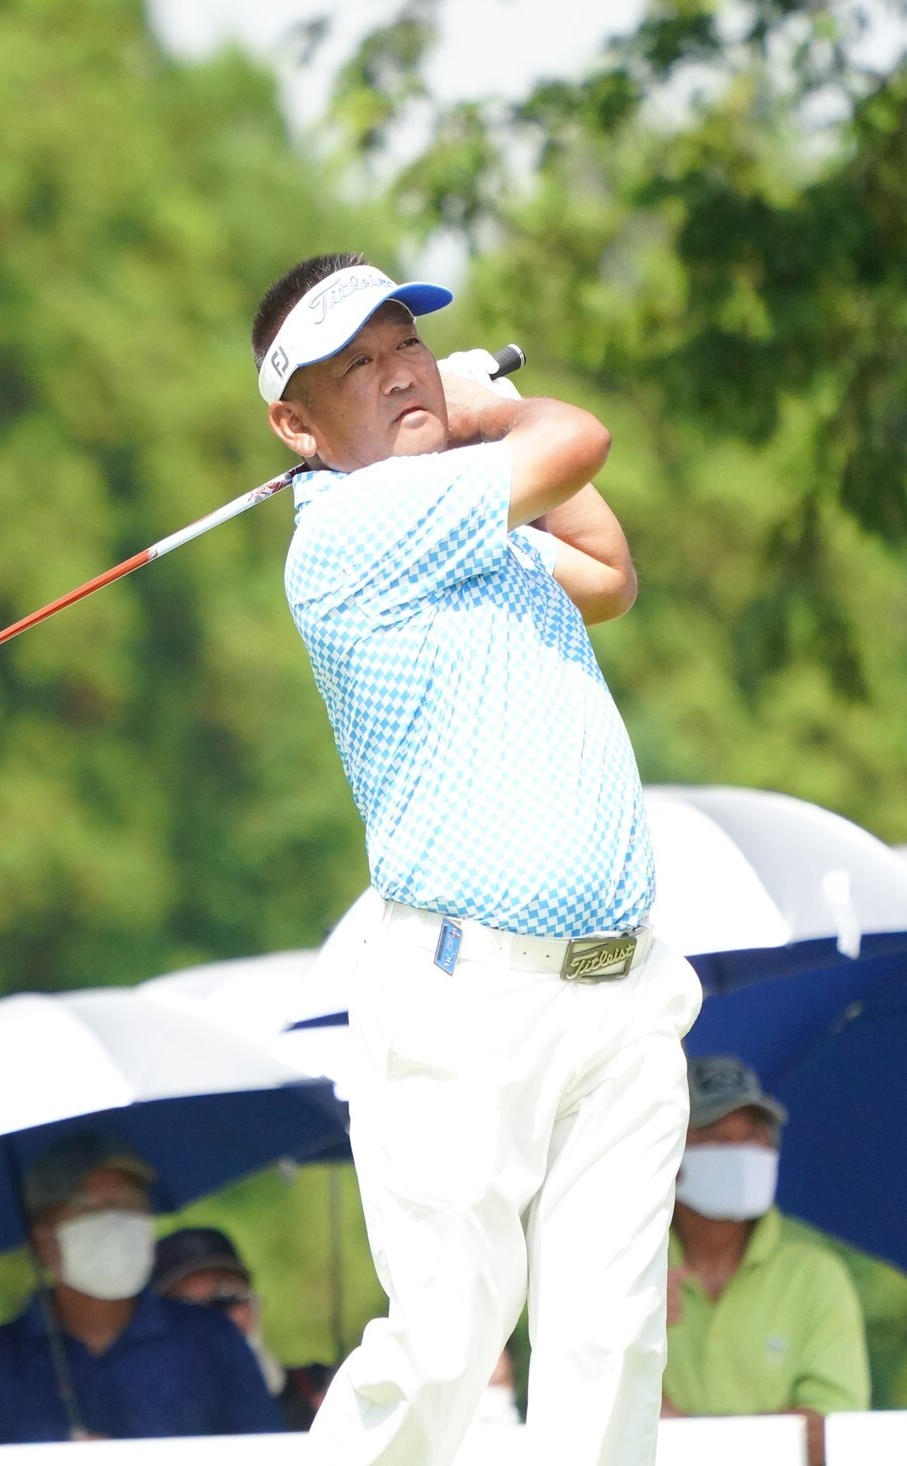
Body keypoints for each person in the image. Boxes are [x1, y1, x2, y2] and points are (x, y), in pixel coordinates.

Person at [261, 251, 700, 1466]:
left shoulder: (459, 518)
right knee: (445, 1344)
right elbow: (578, 441)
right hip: (467, 1005)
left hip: (618, 991)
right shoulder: (352, 533)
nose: (400, 370)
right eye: (359, 365)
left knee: (611, 1347)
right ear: (295, 424)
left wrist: (456, 429)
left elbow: (606, 573)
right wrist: (484, 406)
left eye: (405, 343)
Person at [0, 1132, 281, 1444]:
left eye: (131, 1203)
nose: (117, 1219)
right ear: (43, 1239)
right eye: (91, 1207)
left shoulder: (212, 1342)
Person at [662, 1057, 867, 1466]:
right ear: (667, 1152)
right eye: (716, 1136)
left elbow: (833, 1432)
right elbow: (587, 1407)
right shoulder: (626, 1268)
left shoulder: (816, 1275)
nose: (742, 1153)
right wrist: (631, 1337)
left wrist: (690, 1441)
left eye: (755, 1136)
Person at [150, 1226, 334, 1430]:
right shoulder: (144, 1420)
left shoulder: (331, 1392)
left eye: (225, 1300)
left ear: (252, 1302)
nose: (211, 1322)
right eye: (185, 1310)